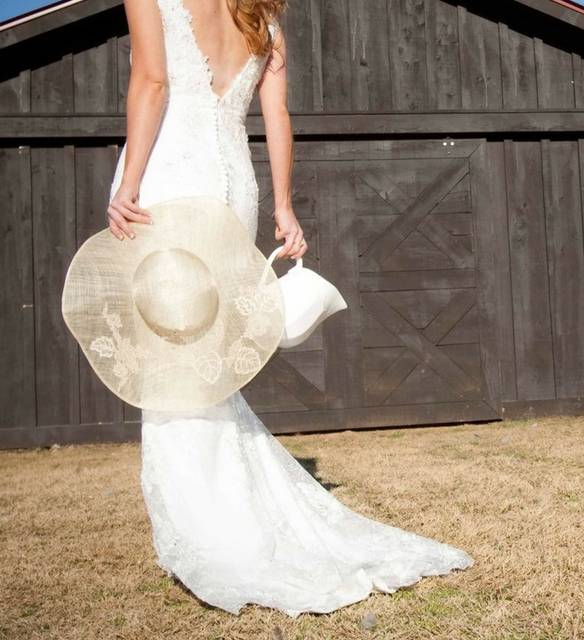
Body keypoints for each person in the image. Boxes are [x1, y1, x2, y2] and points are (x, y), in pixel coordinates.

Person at [105, 0, 474, 617]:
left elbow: (152, 80)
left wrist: (127, 185)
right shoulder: (264, 19)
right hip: (232, 188)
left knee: (172, 356)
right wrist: (282, 205)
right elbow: (276, 114)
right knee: (208, 358)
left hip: (170, 178)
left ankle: (208, 524)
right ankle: (225, 506)